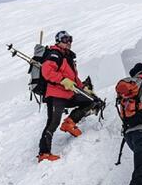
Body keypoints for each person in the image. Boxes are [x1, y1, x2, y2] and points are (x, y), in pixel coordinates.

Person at [38, 30, 99, 162]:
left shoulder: (68, 57)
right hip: (55, 95)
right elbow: (47, 71)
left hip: (68, 94)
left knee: (90, 101)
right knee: (52, 123)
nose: (69, 42)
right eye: (65, 39)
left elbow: (74, 79)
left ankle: (69, 123)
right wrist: (62, 80)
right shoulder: (54, 54)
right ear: (58, 41)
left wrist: (85, 89)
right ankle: (44, 154)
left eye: (70, 39)